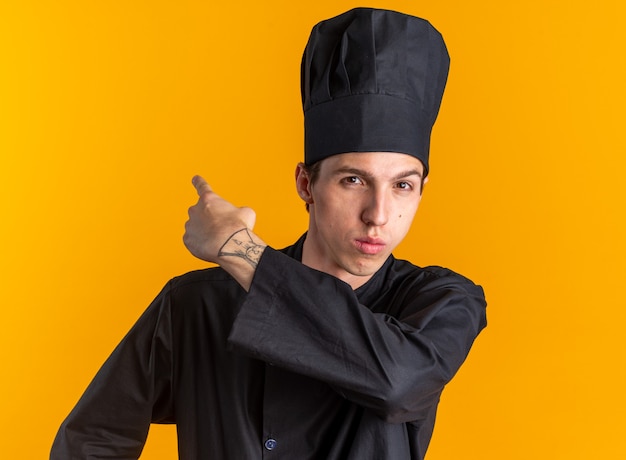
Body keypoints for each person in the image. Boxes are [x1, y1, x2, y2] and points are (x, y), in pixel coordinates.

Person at [51, 7, 487, 459]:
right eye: (352, 180)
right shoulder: (196, 305)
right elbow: (92, 437)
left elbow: (397, 383)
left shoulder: (442, 302)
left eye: (402, 185)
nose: (378, 214)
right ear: (306, 184)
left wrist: (238, 250)